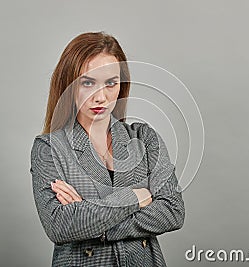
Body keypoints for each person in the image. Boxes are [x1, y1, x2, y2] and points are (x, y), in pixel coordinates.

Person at [30, 31, 185, 266]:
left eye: (110, 83)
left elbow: (172, 211)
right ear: (69, 85)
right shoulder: (49, 148)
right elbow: (59, 226)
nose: (100, 96)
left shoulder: (144, 138)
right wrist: (135, 196)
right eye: (88, 82)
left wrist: (92, 220)